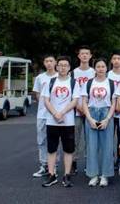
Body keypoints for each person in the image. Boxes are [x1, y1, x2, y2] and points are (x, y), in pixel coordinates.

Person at [41, 56, 80, 188]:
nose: (63, 68)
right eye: (60, 65)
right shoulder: (51, 82)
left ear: (69, 68)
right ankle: (51, 174)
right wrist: (55, 114)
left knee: (68, 149)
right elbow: (46, 100)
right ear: (57, 67)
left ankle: (67, 175)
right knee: (51, 149)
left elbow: (75, 101)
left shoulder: (74, 83)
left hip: (68, 122)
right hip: (51, 121)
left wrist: (62, 113)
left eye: (65, 65)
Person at [82, 58, 116, 187]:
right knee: (91, 146)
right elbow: (84, 102)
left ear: (106, 68)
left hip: (106, 113)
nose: (101, 69)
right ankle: (93, 175)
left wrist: (107, 119)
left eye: (103, 66)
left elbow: (114, 103)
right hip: (92, 113)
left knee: (107, 146)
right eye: (98, 66)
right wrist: (89, 118)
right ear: (94, 69)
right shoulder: (88, 83)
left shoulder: (111, 83)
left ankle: (105, 175)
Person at [32, 55, 58, 178]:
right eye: (46, 61)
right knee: (41, 140)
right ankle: (43, 165)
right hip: (42, 114)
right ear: (44, 63)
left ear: (55, 63)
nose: (49, 63)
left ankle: (54, 166)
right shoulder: (40, 78)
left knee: (54, 140)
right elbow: (37, 94)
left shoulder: (59, 77)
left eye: (51, 61)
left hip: (55, 114)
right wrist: (43, 105)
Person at [72, 46, 95, 173]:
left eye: (87, 53)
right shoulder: (73, 73)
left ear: (90, 56)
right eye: (82, 54)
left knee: (89, 139)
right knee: (75, 138)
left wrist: (86, 109)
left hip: (90, 111)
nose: (85, 55)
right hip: (76, 110)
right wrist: (78, 106)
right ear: (79, 56)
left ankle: (88, 163)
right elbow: (70, 92)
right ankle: (73, 162)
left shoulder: (94, 72)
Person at [108, 51, 120, 169]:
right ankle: (109, 159)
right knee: (109, 137)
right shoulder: (107, 75)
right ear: (111, 61)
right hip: (109, 111)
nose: (116, 61)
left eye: (118, 58)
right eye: (114, 58)